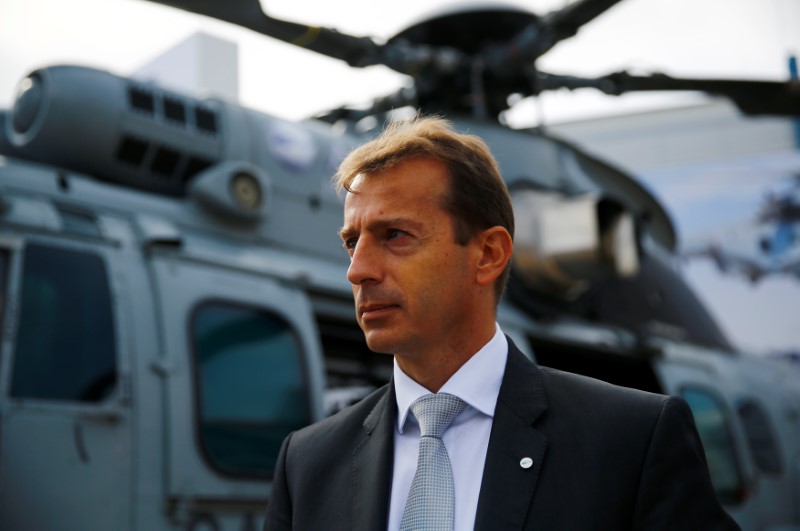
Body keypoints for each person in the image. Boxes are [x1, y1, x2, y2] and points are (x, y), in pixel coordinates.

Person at [263, 117, 739, 531]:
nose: (358, 270)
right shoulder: (307, 464)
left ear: (488, 254)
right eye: (352, 242)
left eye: (395, 235)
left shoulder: (631, 439)